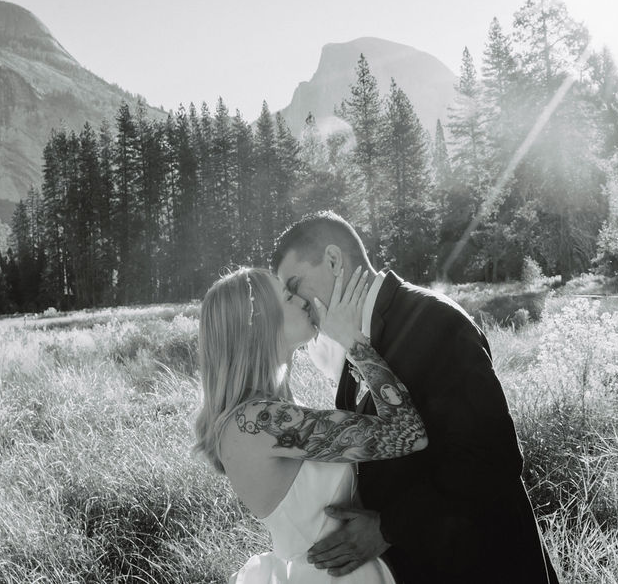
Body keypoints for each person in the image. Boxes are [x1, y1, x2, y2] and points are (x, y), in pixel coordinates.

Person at [271, 211, 559, 583]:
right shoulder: (352, 343)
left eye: (296, 285)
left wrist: (386, 528)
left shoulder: (436, 321)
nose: (296, 301)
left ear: (332, 260)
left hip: (485, 563)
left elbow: (493, 460)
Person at [194, 265, 429, 583]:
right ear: (258, 321)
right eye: (287, 296)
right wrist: (352, 341)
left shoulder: (263, 414)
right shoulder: (259, 421)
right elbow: (408, 434)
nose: (302, 300)